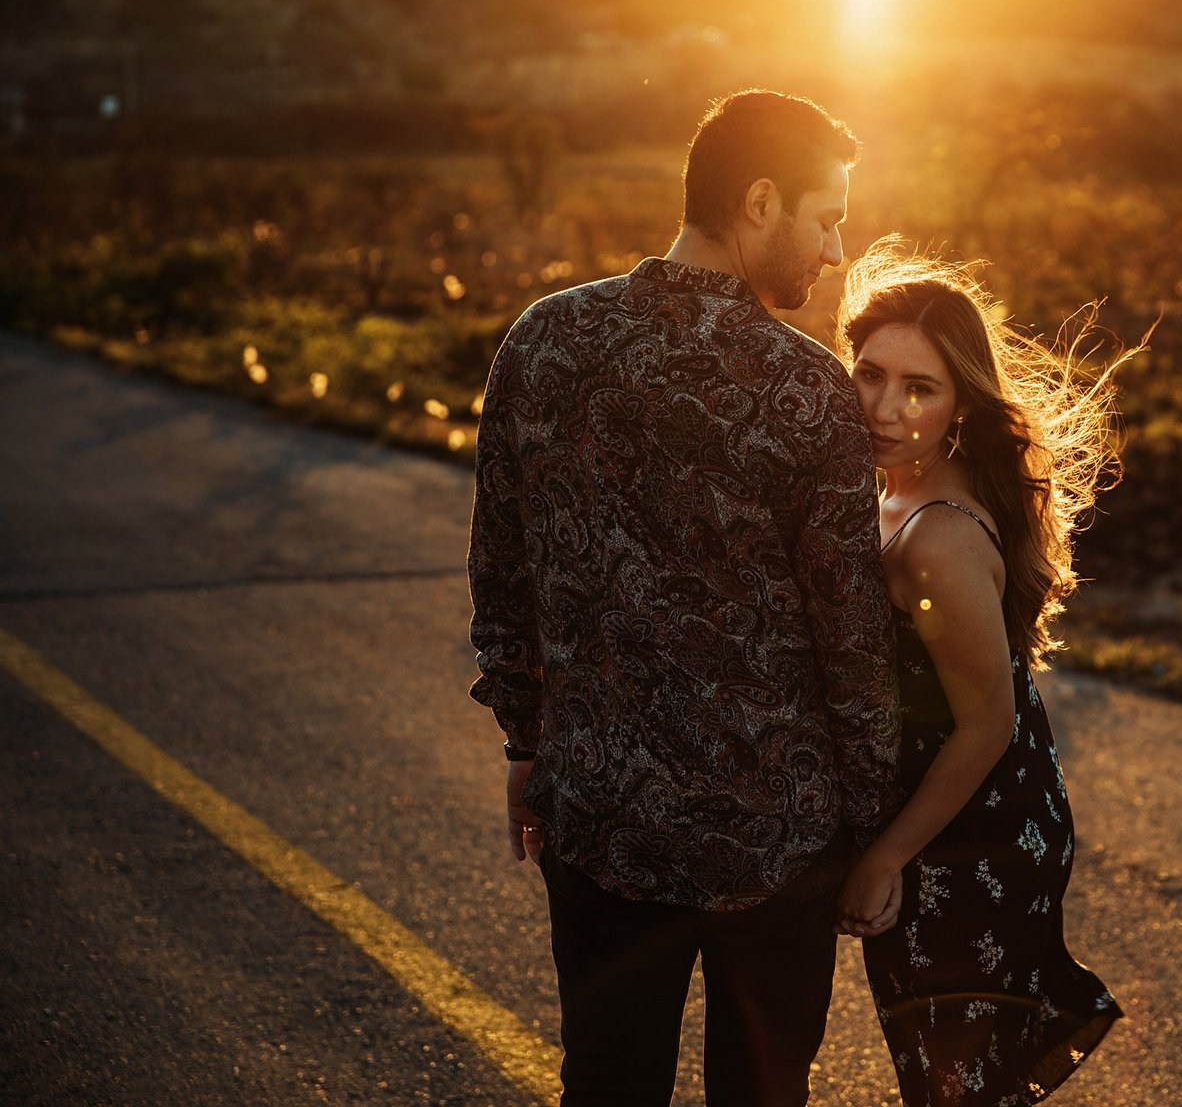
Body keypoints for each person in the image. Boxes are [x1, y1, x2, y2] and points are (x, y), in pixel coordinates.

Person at [467, 89, 902, 1106]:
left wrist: (525, 747)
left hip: (602, 822)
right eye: (825, 214)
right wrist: (875, 829)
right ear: (758, 201)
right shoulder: (805, 391)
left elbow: (502, 573)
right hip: (778, 843)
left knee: (608, 1087)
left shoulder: (544, 343)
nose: (837, 248)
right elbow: (850, 638)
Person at [833, 239, 1136, 1105]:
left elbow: (987, 723)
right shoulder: (893, 481)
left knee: (957, 1085)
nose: (886, 407)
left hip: (978, 831)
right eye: (870, 374)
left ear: (961, 403)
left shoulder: (938, 536)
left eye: (920, 388)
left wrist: (884, 858)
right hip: (949, 810)